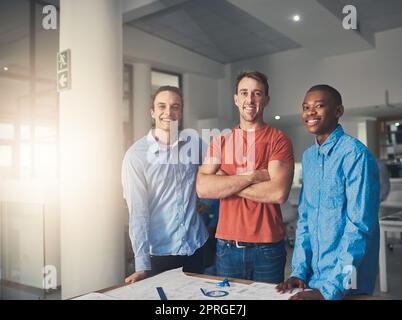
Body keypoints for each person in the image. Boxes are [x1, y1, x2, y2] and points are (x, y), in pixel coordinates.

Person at [276, 85, 380, 300]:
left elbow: (359, 227)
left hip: (346, 281)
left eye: (319, 106)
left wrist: (330, 290)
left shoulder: (355, 155)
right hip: (313, 278)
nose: (310, 112)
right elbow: (305, 218)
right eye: (305, 107)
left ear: (338, 111)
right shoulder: (309, 157)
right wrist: (298, 271)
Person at [196, 71, 294, 283]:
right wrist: (253, 176)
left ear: (266, 100)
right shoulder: (221, 141)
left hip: (268, 247)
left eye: (257, 93)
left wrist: (225, 181)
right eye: (244, 93)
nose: (250, 99)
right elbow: (203, 187)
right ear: (236, 99)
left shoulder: (279, 140)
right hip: (227, 246)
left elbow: (277, 192)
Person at [122, 86, 209, 283]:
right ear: (152, 112)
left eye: (175, 106)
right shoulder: (135, 156)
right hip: (161, 255)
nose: (168, 112)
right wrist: (142, 265)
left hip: (196, 246)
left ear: (181, 112)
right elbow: (138, 213)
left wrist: (208, 202)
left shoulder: (194, 143)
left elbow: (218, 170)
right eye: (162, 106)